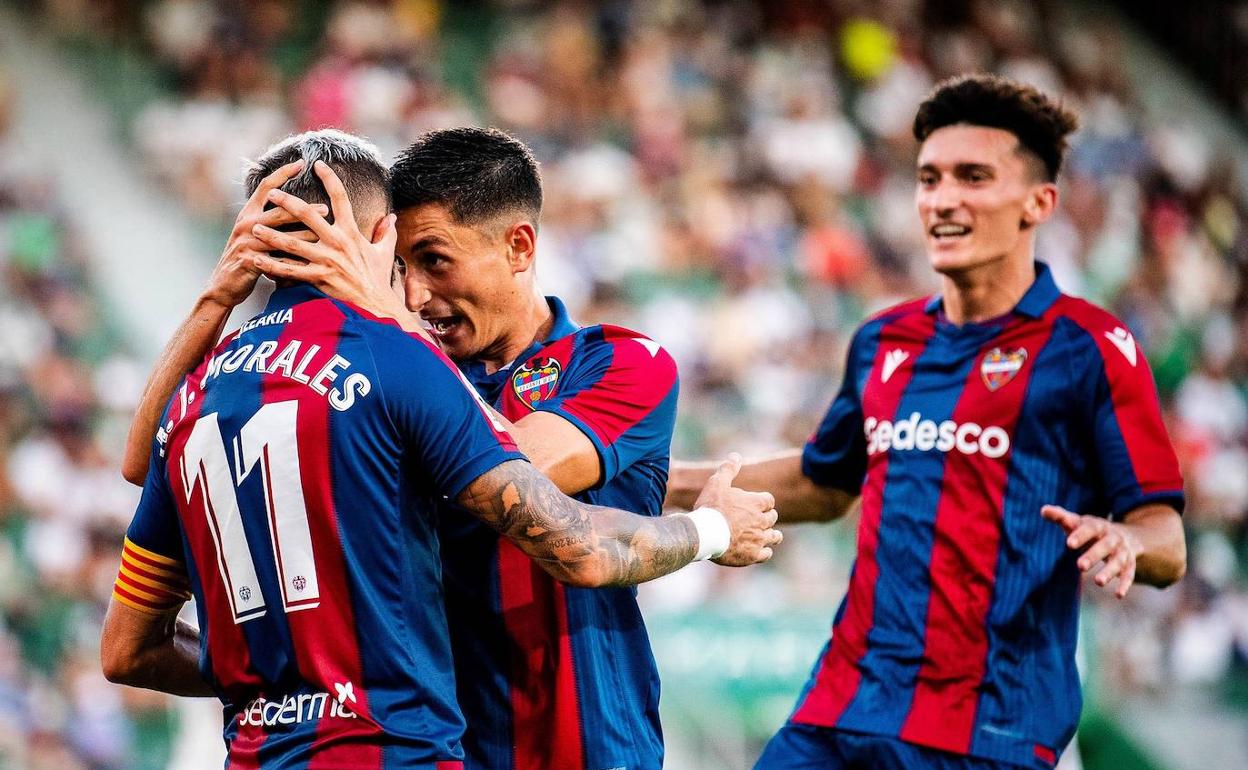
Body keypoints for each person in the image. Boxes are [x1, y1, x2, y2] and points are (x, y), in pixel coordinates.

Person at [101, 129, 782, 769]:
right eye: (396, 266)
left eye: (433, 261)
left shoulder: (618, 361)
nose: (416, 293)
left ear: (519, 246)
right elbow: (152, 456)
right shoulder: (390, 372)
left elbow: (509, 456)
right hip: (444, 749)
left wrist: (386, 321)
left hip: (587, 750)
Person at [666, 74, 1187, 770]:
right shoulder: (882, 342)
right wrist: (657, 478)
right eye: (929, 179)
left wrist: (1126, 540)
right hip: (841, 707)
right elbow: (823, 484)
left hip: (990, 730)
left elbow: (1168, 539)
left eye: (973, 178)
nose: (943, 200)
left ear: (1040, 202)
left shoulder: (1090, 349)